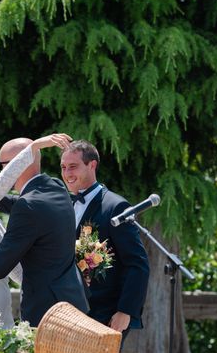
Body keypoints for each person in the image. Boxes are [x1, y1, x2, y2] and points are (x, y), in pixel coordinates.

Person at [0, 134, 89, 327]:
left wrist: (34, 148)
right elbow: (1, 190)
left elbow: (9, 264)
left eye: (0, 167)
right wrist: (34, 149)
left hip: (6, 301)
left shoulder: (3, 212)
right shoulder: (56, 187)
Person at [60, 140, 150, 339]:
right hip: (69, 313)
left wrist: (125, 311)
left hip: (105, 316)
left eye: (73, 167)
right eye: (63, 167)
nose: (67, 174)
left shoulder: (115, 207)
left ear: (92, 165)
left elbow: (138, 263)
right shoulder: (64, 203)